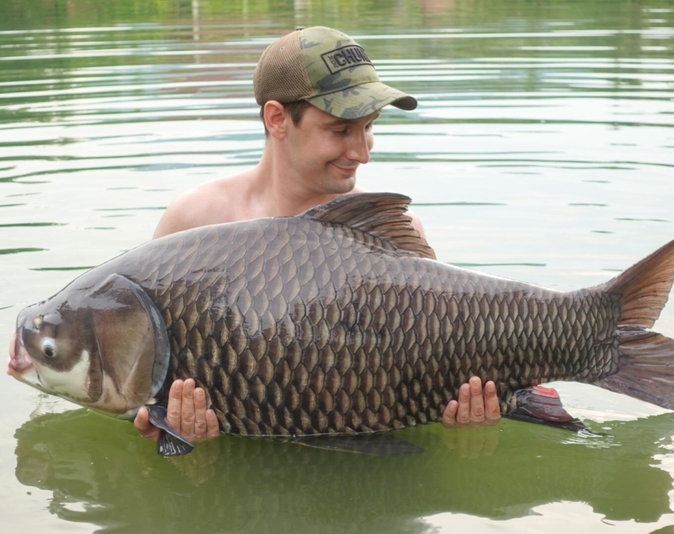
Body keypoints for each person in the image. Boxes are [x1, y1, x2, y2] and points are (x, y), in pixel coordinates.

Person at [134, 26, 501, 445]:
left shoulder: (395, 231)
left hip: (376, 472)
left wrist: (465, 417)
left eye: (369, 127)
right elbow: (142, 381)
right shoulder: (194, 221)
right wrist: (165, 430)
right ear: (278, 119)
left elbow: (432, 360)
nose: (361, 152)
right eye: (341, 130)